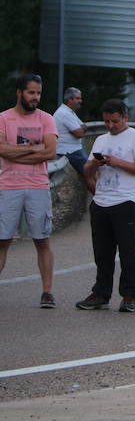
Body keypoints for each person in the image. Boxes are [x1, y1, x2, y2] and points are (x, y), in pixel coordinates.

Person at [77, 100, 135, 312]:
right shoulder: (100, 139)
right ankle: (101, 293)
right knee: (102, 252)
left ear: (125, 118)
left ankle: (130, 295)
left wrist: (117, 162)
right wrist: (94, 164)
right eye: (107, 121)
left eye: (115, 121)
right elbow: (87, 170)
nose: (110, 125)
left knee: (128, 251)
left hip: (126, 201)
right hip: (101, 201)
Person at [0, 73, 59, 308]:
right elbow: (1, 151)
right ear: (19, 92)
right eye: (31, 92)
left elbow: (50, 152)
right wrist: (35, 150)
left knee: (42, 239)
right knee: (2, 241)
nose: (35, 97)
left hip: (38, 187)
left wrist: (15, 151)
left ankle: (47, 292)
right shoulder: (4, 118)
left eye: (38, 93)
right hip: (8, 186)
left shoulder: (47, 119)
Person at [53, 87, 88, 176]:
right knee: (90, 173)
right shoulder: (64, 113)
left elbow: (84, 126)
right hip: (69, 150)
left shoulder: (69, 112)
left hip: (72, 149)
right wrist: (80, 129)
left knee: (90, 171)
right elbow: (79, 133)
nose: (80, 101)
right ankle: (96, 190)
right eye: (78, 98)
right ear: (69, 99)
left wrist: (80, 129)